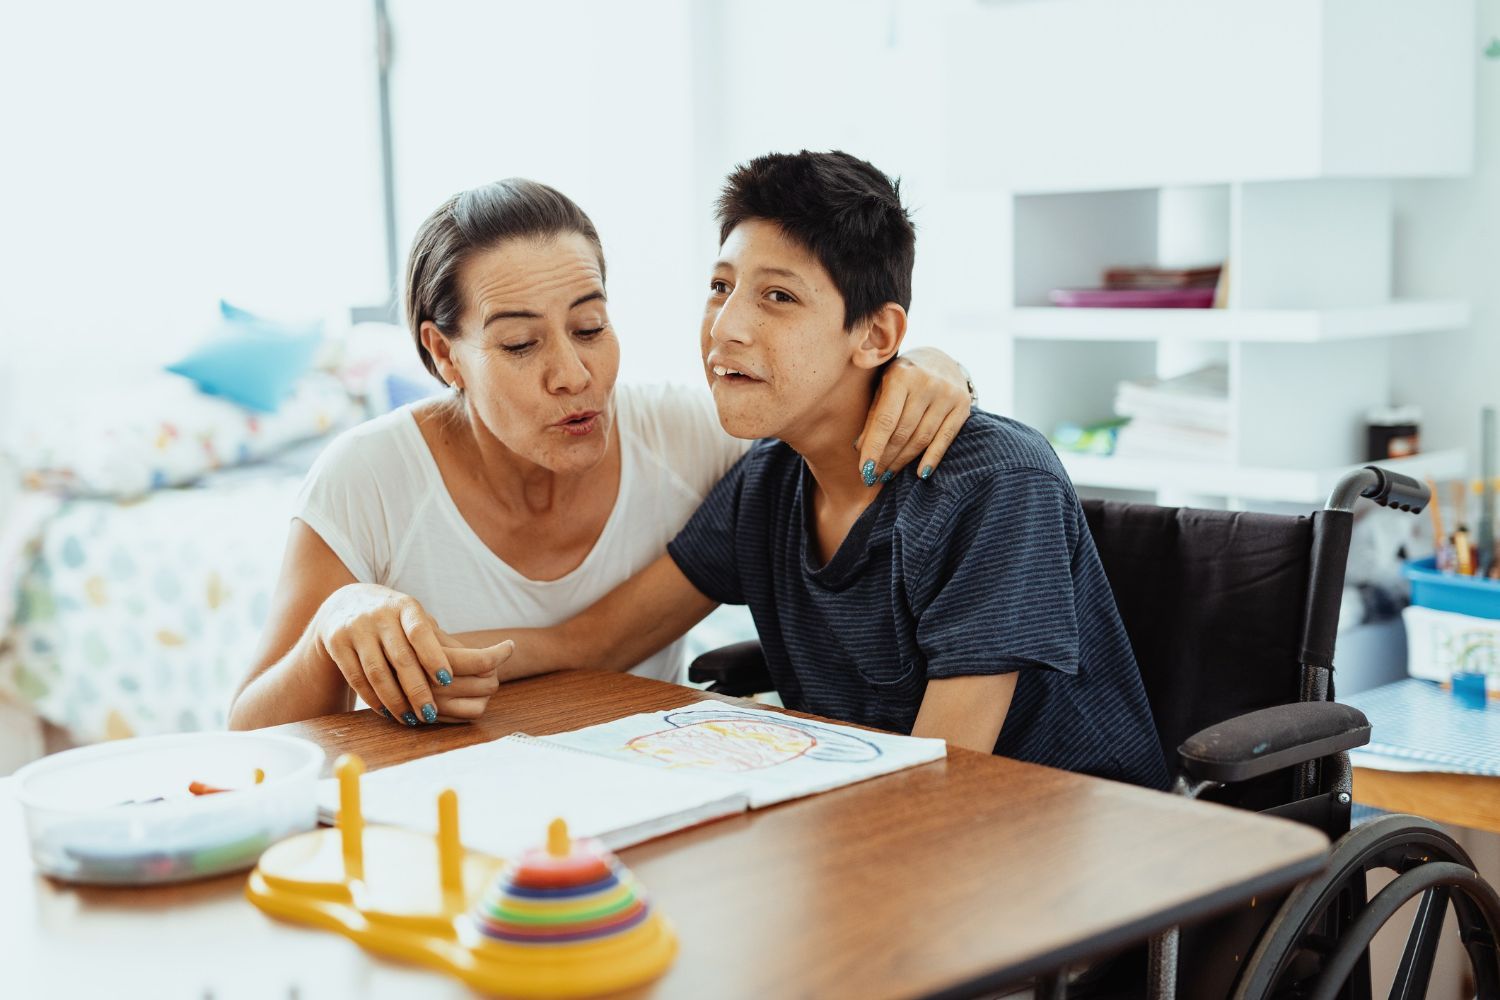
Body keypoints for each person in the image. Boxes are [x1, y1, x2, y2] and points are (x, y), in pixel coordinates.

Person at [482, 151, 1169, 788]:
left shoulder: (994, 485)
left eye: (777, 297)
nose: (725, 327)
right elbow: (596, 638)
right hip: (887, 824)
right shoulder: (770, 481)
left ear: (876, 336)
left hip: (1065, 850)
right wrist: (424, 656)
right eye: (721, 286)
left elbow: (940, 777)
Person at [227, 178, 976, 731]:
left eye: (589, 328)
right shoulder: (369, 479)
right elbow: (248, 738)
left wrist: (938, 365)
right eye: (520, 344)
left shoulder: (692, 438)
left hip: (642, 794)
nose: (574, 375)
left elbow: (829, 411)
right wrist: (335, 623)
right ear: (443, 354)